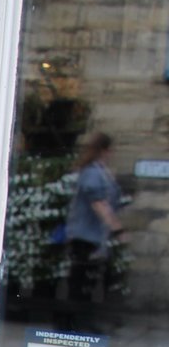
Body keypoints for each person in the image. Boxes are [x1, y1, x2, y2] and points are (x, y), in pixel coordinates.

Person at [64, 131, 123, 327]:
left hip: (94, 236)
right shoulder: (92, 172)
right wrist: (116, 228)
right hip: (85, 236)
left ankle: (80, 322)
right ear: (106, 150)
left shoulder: (101, 171)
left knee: (86, 283)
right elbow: (97, 202)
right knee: (81, 283)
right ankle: (73, 324)